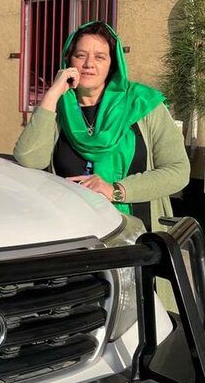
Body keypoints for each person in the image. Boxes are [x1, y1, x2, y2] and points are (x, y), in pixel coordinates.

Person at [14, 21, 189, 231]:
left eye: (100, 57)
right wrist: (52, 94)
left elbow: (178, 171)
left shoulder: (142, 105)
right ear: (68, 60)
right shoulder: (57, 109)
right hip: (74, 233)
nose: (89, 64)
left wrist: (116, 190)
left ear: (112, 64)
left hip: (140, 237)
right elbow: (29, 158)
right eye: (80, 55)